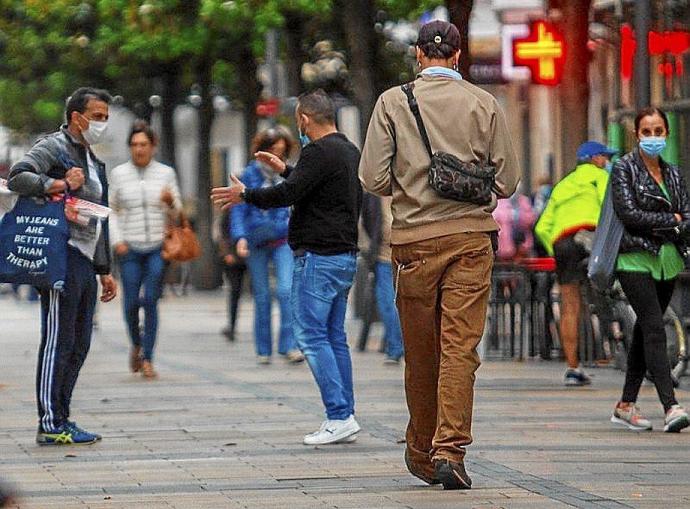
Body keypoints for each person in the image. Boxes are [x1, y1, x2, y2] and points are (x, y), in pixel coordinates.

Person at [359, 20, 519, 490]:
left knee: (422, 351)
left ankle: (420, 448)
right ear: (456, 56)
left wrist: (409, 187)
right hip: (470, 238)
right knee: (459, 347)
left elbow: (371, 178)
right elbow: (507, 183)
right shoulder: (483, 103)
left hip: (412, 242)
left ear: (417, 55)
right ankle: (450, 448)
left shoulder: (392, 102)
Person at [212, 90, 363, 445]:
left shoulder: (316, 151)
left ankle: (338, 414)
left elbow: (287, 195)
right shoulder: (348, 151)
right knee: (334, 336)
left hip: (318, 256)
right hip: (344, 255)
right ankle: (347, 413)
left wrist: (245, 195)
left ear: (305, 119)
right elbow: (313, 188)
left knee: (310, 336)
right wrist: (289, 171)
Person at [8, 87, 118, 445]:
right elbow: (18, 177)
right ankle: (50, 423)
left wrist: (104, 269)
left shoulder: (93, 158)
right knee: (58, 339)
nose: (103, 123)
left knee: (80, 342)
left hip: (85, 259)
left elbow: (99, 215)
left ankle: (63, 416)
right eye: (98, 116)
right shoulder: (54, 146)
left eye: (106, 117)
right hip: (60, 254)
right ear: (77, 117)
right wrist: (57, 183)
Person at [609, 107, 689, 433]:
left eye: (658, 131)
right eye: (647, 131)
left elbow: (687, 214)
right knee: (655, 327)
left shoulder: (674, 174)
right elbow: (630, 215)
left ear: (666, 133)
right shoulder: (623, 169)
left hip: (667, 261)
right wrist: (671, 221)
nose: (653, 137)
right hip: (633, 259)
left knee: (645, 330)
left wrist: (673, 223)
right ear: (636, 134)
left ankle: (626, 404)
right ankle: (671, 406)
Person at [535, 141, 615, 386]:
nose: (607, 162)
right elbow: (610, 210)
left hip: (563, 243)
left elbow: (541, 226)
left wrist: (556, 250)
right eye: (604, 157)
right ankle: (618, 340)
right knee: (613, 290)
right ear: (595, 159)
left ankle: (573, 368)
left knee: (570, 305)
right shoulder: (601, 178)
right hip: (590, 237)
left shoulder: (563, 185)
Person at [108, 121, 182, 379]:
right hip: (128, 246)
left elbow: (178, 212)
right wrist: (117, 240)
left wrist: (170, 202)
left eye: (144, 144)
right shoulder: (118, 174)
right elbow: (111, 211)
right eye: (135, 145)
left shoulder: (165, 173)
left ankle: (148, 357)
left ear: (153, 147)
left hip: (156, 247)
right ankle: (136, 345)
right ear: (130, 147)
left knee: (150, 300)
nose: (139, 149)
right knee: (130, 302)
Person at [230, 128, 303, 364]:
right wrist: (240, 237)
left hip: (283, 240)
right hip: (256, 241)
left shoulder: (289, 174)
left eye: (281, 152)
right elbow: (239, 209)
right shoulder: (249, 175)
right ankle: (263, 349)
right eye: (272, 151)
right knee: (261, 296)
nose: (276, 157)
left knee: (285, 291)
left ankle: (288, 345)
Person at [361, 193, 404, 363]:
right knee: (387, 303)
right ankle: (395, 347)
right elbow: (367, 220)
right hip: (383, 257)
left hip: (406, 255)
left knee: (398, 304)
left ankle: (397, 346)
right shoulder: (374, 195)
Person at [215, 208, 247, 342]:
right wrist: (227, 253)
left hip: (253, 253)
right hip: (234, 257)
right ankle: (232, 326)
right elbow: (223, 233)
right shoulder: (230, 210)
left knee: (258, 293)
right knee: (235, 291)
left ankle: (233, 327)